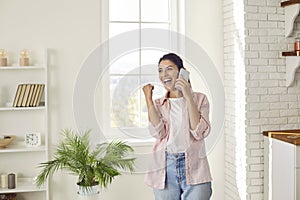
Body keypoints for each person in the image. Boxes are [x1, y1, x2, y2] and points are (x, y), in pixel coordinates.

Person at [143, 53, 212, 200]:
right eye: (160, 70)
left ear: (181, 72)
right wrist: (148, 99)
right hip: (166, 168)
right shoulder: (159, 104)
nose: (163, 74)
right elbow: (158, 133)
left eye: (169, 69)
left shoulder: (200, 99)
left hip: (195, 167)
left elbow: (199, 132)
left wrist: (188, 96)